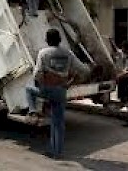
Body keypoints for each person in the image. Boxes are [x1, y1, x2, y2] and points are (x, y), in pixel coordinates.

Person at [25, 28, 91, 159]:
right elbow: (83, 70)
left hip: (47, 90)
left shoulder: (43, 53)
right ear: (59, 40)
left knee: (28, 89)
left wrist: (44, 82)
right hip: (61, 91)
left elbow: (37, 74)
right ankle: (57, 152)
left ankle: (33, 111)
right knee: (58, 123)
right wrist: (70, 81)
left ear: (47, 40)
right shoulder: (68, 53)